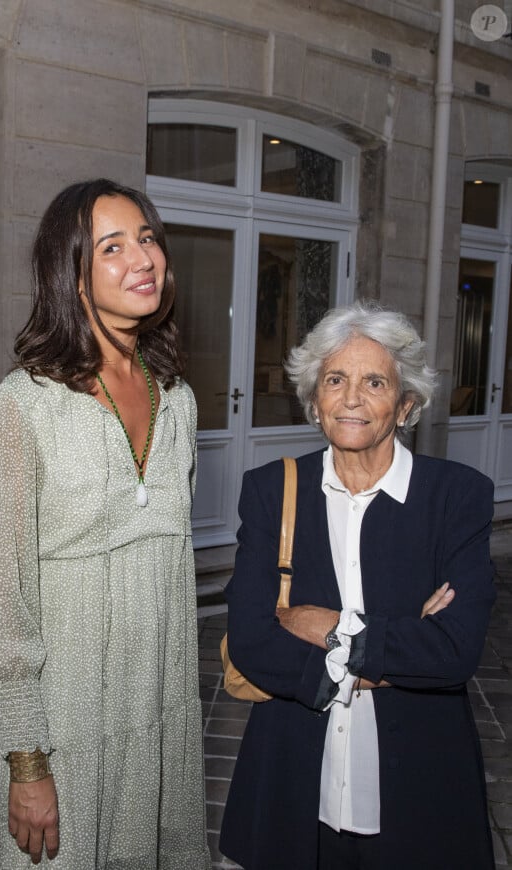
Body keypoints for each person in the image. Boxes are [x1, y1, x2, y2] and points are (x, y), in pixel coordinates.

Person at [0, 179, 211, 870]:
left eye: (147, 239)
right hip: (62, 727)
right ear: (71, 275)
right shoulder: (26, 405)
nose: (144, 258)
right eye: (113, 246)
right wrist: (25, 760)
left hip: (159, 719)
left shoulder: (180, 402)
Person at [219, 301, 496, 870]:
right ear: (315, 402)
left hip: (418, 781)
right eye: (335, 380)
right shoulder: (272, 492)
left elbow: (454, 651)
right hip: (295, 775)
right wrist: (391, 649)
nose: (351, 398)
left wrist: (327, 627)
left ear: (405, 405)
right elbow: (250, 638)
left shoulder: (456, 497)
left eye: (374, 382)